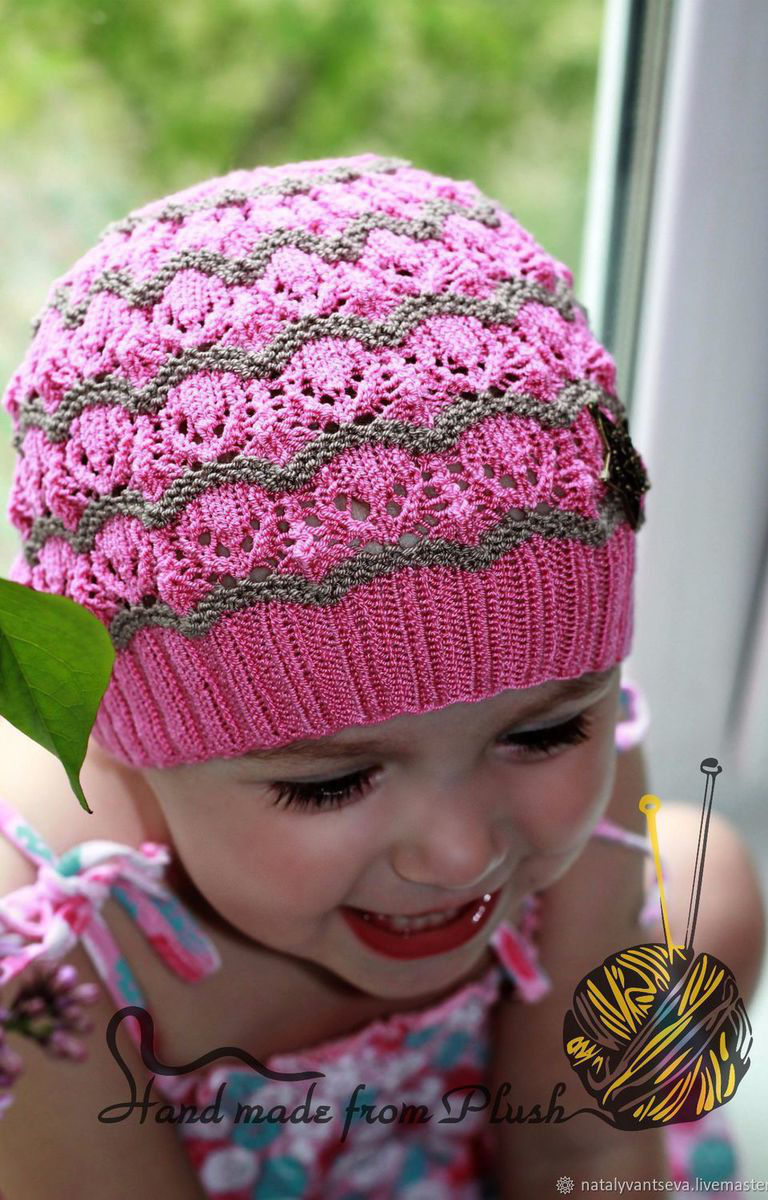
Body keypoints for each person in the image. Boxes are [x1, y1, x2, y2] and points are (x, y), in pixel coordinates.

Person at [0, 153, 763, 1200]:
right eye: (331, 783)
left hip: (468, 1120)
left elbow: (581, 1150)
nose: (460, 854)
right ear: (125, 742)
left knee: (704, 883)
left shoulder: (578, 768)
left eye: (543, 733)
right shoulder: (42, 941)